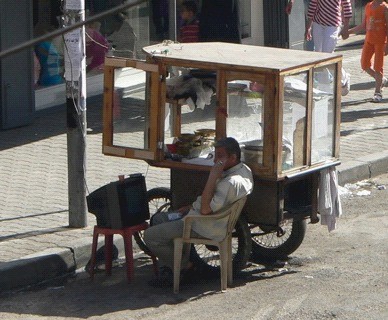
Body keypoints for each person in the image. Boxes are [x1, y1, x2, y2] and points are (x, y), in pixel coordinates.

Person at [144, 137, 254, 287]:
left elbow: (205, 210)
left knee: (150, 236)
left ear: (233, 158)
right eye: (215, 155)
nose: (216, 160)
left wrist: (212, 176)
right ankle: (171, 270)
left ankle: (186, 267)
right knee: (159, 219)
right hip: (201, 216)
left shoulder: (229, 183)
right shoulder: (244, 170)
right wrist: (190, 206)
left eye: (220, 156)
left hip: (201, 225)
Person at [305, 0, 353, 95]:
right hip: (318, 22)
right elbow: (313, 4)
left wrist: (346, 27)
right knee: (318, 55)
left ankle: (344, 78)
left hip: (333, 24)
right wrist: (309, 26)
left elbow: (347, 6)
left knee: (327, 55)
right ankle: (324, 87)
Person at [349, 0, 388, 103]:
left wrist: (387, 44)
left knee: (378, 67)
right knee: (364, 64)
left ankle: (377, 92)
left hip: (380, 41)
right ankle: (381, 80)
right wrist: (349, 32)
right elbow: (363, 25)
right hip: (369, 40)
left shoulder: (385, 8)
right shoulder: (368, 6)